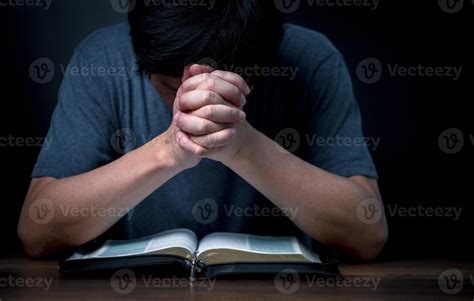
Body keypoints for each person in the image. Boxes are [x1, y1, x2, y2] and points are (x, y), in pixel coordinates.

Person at [18, 1, 388, 260]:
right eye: (167, 86)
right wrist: (170, 149)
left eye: (224, 87)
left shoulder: (310, 59)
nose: (193, 103)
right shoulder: (102, 58)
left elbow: (367, 234)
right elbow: (36, 232)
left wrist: (240, 145)